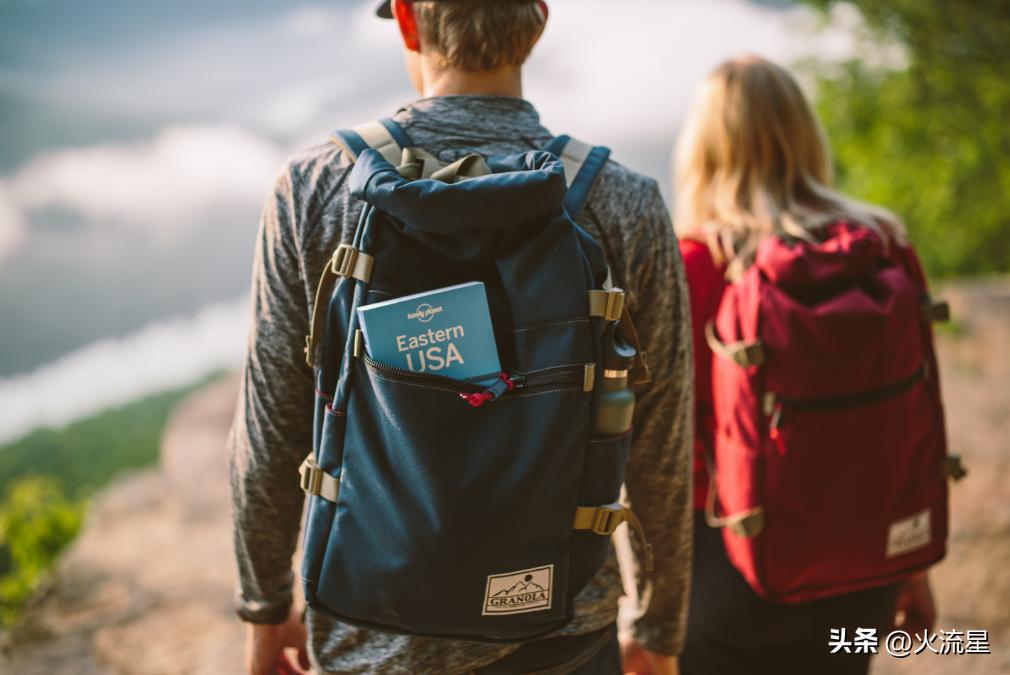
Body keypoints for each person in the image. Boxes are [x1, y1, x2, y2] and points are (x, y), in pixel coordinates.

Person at [228, 1, 694, 673]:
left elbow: (268, 436)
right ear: (535, 22)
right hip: (562, 628)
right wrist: (659, 628)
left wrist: (265, 611)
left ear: (411, 22)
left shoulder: (315, 188)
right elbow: (661, 444)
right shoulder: (623, 201)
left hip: (371, 634)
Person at [672, 54, 938, 675]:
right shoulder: (883, 246)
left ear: (705, 148)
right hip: (861, 560)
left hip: (726, 564)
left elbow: (665, 442)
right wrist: (910, 565)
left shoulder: (694, 261)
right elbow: (911, 417)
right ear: (804, 134)